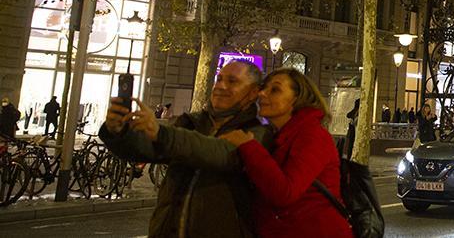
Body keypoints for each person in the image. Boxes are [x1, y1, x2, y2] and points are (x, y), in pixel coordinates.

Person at [100, 59, 271, 237]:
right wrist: (119, 132)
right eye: (219, 79)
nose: (221, 86)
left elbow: (218, 153)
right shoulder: (191, 121)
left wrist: (161, 133)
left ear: (253, 93)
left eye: (232, 81)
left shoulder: (257, 132)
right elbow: (148, 149)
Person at [219, 68, 351, 238]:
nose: (262, 94)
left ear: (296, 99)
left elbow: (285, 193)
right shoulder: (280, 135)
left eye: (275, 90)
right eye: (263, 88)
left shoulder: (312, 135)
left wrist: (248, 146)